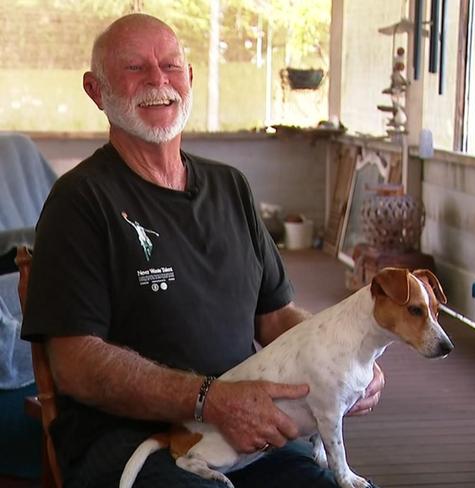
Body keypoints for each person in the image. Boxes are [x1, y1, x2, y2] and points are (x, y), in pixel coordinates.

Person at [21, 13, 384, 488]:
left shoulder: (230, 187)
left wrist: (348, 356)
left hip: (246, 433)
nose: (158, 80)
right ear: (96, 90)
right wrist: (210, 399)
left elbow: (277, 319)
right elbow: (76, 364)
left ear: (189, 79)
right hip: (131, 442)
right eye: (135, 69)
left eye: (171, 66)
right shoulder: (81, 201)